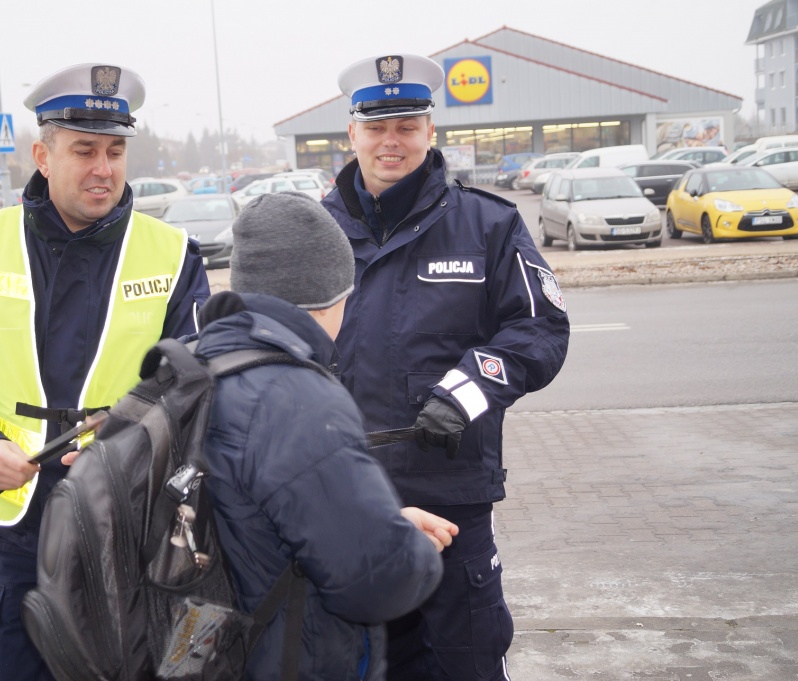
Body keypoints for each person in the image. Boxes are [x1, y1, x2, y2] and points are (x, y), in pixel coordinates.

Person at [0, 62, 210, 680]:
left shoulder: (173, 255)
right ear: (43, 155)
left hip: (128, 534)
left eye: (115, 151)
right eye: (84, 150)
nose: (103, 168)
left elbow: (195, 388)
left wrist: (128, 440)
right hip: (16, 538)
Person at [321, 54, 571, 680]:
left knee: (465, 663)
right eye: (376, 126)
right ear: (352, 133)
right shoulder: (314, 232)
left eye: (407, 125)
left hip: (450, 508)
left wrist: (464, 392)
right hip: (342, 502)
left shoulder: (489, 224)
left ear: (430, 131)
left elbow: (539, 327)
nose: (391, 141)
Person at [194, 191, 458, 680]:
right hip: (285, 659)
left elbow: (251, 514)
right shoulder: (297, 398)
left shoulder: (192, 365)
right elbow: (378, 580)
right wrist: (407, 545)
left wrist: (380, 521)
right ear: (328, 296)